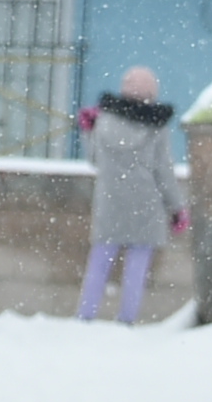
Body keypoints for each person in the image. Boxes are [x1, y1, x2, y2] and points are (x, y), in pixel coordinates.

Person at [76, 66, 184, 325]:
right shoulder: (157, 126)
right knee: (137, 265)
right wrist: (177, 207)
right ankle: (126, 318)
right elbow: (163, 171)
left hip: (110, 202)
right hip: (146, 203)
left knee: (100, 260)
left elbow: (94, 160)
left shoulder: (103, 120)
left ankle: (85, 315)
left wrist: (88, 131)